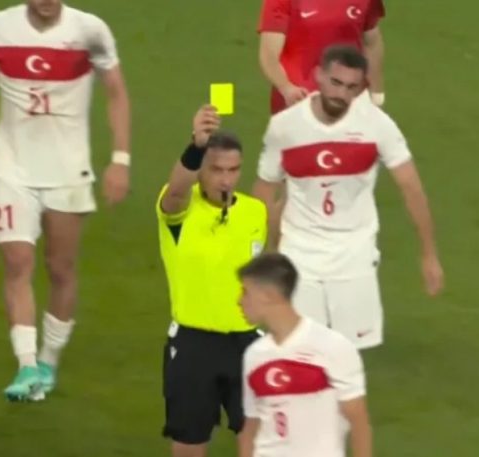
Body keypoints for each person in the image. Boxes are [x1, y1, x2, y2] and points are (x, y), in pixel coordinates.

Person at [0, 0, 131, 401]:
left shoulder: (90, 30)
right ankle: (27, 365)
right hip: (11, 170)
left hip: (68, 172)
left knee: (60, 268)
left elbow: (116, 93)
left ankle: (49, 360)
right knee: (18, 262)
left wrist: (120, 160)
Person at [252, 44, 444, 350]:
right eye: (336, 82)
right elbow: (264, 190)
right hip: (300, 253)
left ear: (361, 87)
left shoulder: (377, 126)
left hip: (354, 254)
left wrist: (429, 254)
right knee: (300, 350)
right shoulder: (285, 127)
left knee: (347, 355)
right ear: (318, 76)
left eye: (352, 87)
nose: (341, 94)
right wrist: (269, 252)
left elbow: (411, 187)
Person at [157, 105, 268, 457]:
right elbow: (176, 192)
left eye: (233, 170)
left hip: (247, 343)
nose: (225, 179)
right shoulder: (179, 209)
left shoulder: (255, 212)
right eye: (216, 169)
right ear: (201, 170)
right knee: (189, 444)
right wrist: (196, 146)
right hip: (194, 345)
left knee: (262, 443)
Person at [237, 253, 372, 457]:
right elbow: (251, 426)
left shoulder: (332, 346)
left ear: (268, 295)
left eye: (246, 292)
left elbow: (359, 424)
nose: (239, 301)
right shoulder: (254, 354)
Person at [258, 0, 386, 114]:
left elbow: (371, 43)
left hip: (350, 97)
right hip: (300, 100)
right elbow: (269, 54)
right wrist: (286, 88)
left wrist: (376, 93)